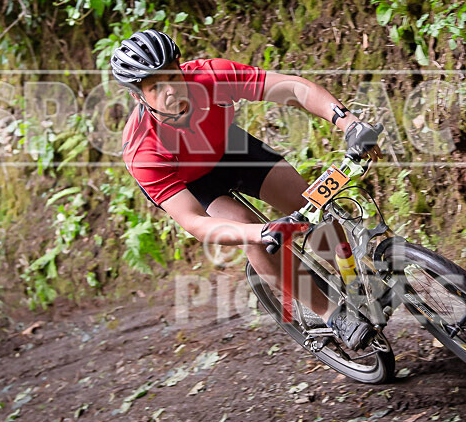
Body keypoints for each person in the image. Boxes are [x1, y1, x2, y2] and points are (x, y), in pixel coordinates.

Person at [110, 29, 382, 350]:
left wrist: (348, 122)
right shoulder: (143, 150)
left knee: (312, 206)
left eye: (172, 74)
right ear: (137, 96)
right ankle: (332, 314)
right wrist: (259, 232)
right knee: (250, 231)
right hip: (194, 183)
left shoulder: (211, 77)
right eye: (156, 86)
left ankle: (352, 273)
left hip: (231, 149)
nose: (171, 90)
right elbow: (195, 222)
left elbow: (291, 88)